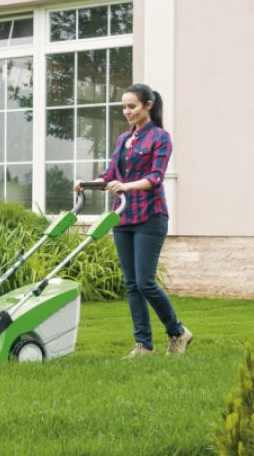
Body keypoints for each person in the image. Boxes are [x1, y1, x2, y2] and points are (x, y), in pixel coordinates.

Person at [75, 83, 193, 358]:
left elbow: (155, 177)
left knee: (145, 282)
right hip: (123, 216)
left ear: (147, 106)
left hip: (150, 216)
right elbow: (110, 175)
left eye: (132, 106)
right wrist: (86, 183)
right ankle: (144, 345)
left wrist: (126, 186)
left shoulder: (160, 137)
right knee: (131, 284)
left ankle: (177, 332)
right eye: (124, 107)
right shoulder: (123, 140)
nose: (127, 111)